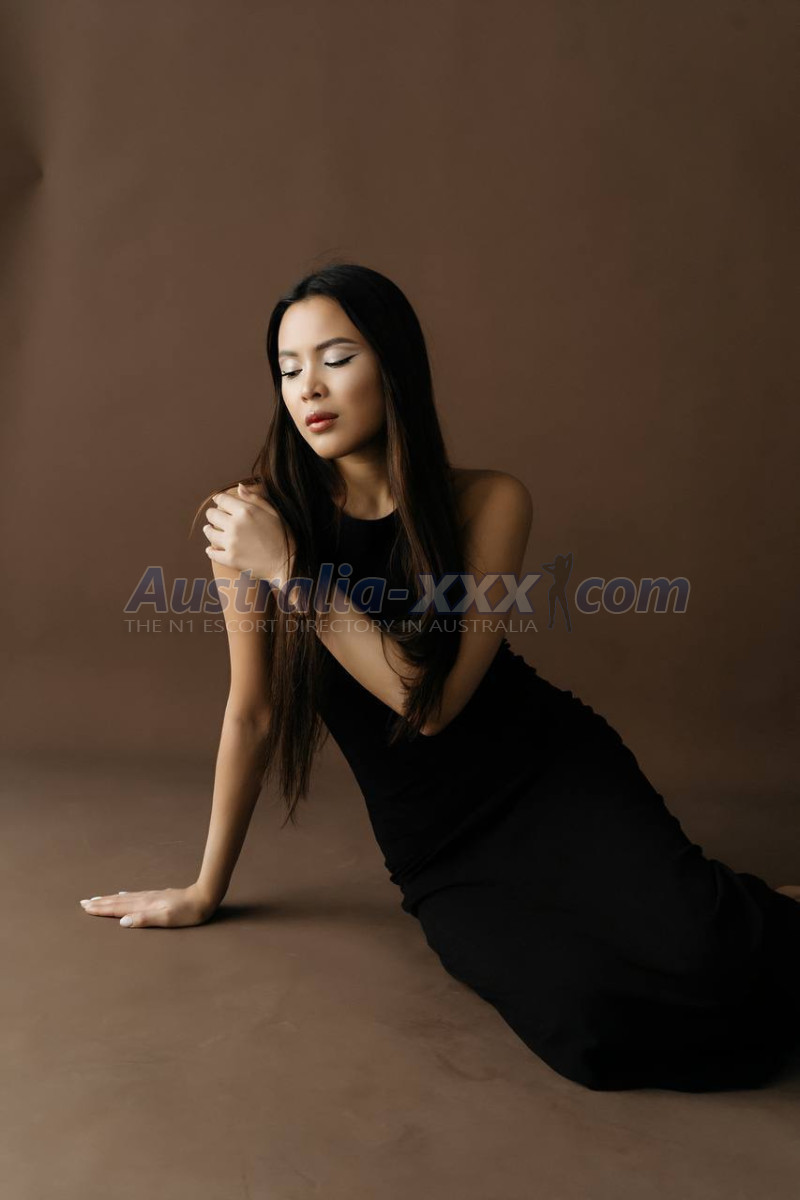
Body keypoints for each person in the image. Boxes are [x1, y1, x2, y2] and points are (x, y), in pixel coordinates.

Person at [79, 263, 800, 1092]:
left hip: (548, 773)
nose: (309, 387)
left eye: (336, 358)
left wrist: (293, 574)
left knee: (704, 947)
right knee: (588, 1029)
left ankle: (757, 907)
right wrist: (207, 888)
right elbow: (254, 713)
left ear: (393, 365)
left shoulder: (488, 502)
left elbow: (429, 705)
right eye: (288, 368)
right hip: (440, 847)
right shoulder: (253, 523)